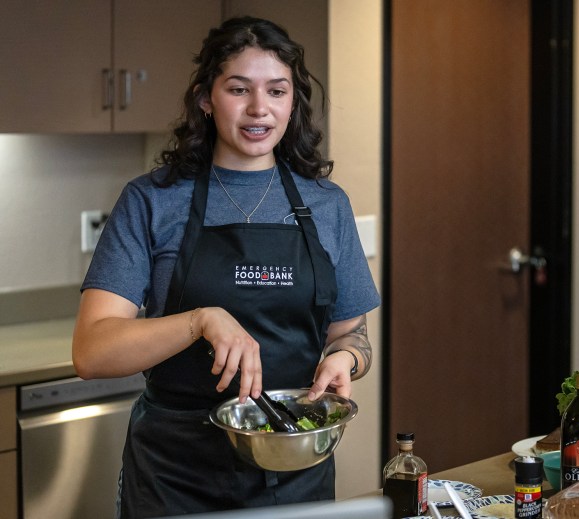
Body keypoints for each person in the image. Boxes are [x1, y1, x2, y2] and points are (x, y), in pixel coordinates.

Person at [72, 16, 380, 519]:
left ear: (291, 103)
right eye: (239, 89)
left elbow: (351, 335)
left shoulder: (326, 205)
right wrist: (199, 320)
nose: (259, 108)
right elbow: (91, 352)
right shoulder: (152, 201)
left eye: (276, 91)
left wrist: (345, 361)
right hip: (174, 474)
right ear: (205, 98)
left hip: (292, 467)